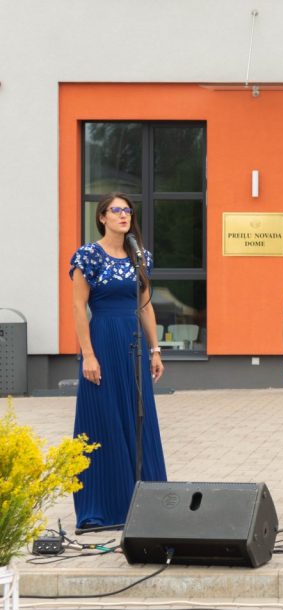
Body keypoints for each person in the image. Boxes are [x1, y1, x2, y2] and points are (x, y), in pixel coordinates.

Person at [69, 193, 167, 529]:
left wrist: (155, 349)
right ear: (102, 217)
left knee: (139, 418)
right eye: (116, 210)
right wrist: (88, 354)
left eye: (127, 210)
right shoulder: (88, 255)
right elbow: (78, 307)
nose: (124, 215)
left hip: (133, 345)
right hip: (103, 342)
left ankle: (147, 504)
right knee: (104, 419)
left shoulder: (140, 255)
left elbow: (145, 305)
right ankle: (101, 507)